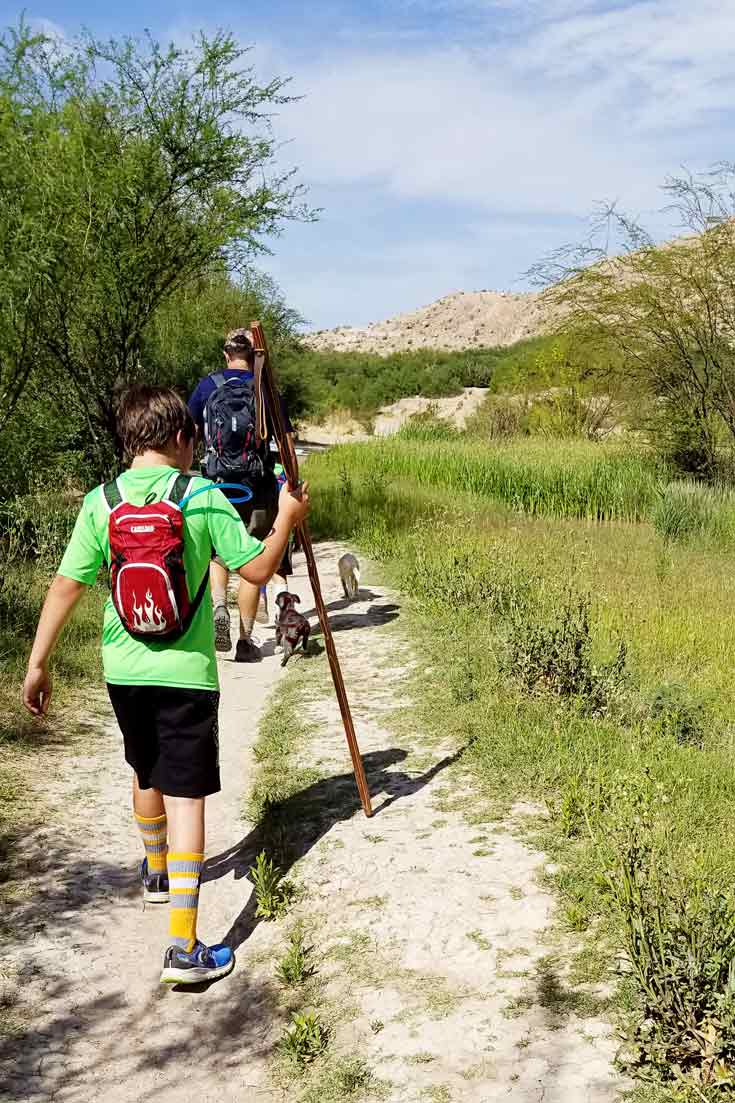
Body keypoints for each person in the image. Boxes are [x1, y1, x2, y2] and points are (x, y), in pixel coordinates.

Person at [22, 385, 309, 985]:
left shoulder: (100, 502)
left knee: (145, 769)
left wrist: (38, 662)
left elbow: (66, 584)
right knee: (188, 796)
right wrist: (286, 517)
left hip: (123, 668)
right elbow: (256, 568)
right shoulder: (200, 495)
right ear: (182, 439)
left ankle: (156, 874)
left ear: (129, 439)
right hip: (185, 674)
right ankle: (184, 947)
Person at [188, 329, 298, 663]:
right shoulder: (265, 390)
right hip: (259, 483)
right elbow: (288, 444)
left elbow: (188, 433)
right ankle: (245, 639)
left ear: (225, 354)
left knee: (218, 553)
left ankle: (220, 603)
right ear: (255, 356)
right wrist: (293, 483)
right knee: (254, 556)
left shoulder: (207, 387)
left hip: (217, 482)